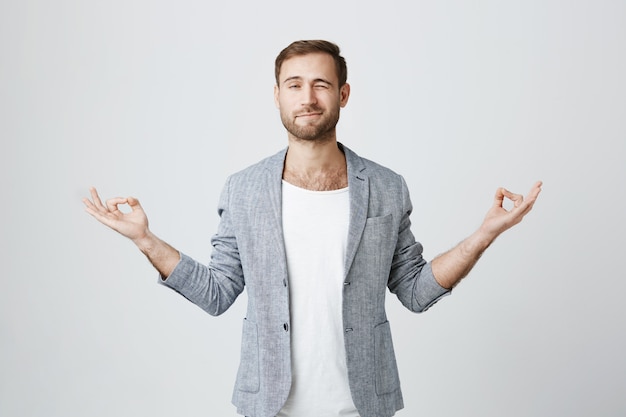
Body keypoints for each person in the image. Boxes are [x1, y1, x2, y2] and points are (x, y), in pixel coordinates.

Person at [83, 40, 542, 417]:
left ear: (342, 94)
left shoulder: (385, 186)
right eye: (294, 85)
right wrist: (146, 239)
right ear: (278, 95)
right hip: (270, 407)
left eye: (321, 84)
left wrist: (485, 233)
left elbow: (416, 291)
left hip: (363, 406)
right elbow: (217, 292)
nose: (307, 98)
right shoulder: (243, 189)